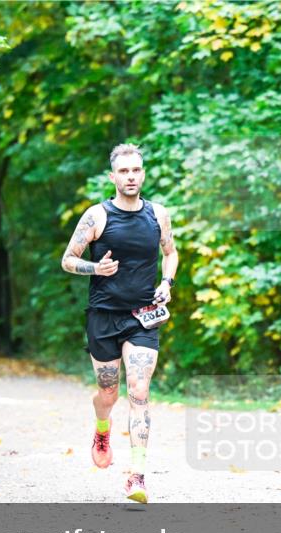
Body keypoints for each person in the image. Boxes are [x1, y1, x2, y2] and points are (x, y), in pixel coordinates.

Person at [61, 143, 178, 504]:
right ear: (113, 177)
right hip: (103, 316)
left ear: (143, 173)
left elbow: (170, 253)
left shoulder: (158, 215)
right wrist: (95, 268)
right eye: (124, 171)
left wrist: (166, 284)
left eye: (136, 170)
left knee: (139, 393)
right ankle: (101, 430)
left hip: (142, 317)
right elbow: (68, 259)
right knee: (108, 394)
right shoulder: (97, 216)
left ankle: (136, 477)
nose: (131, 176)